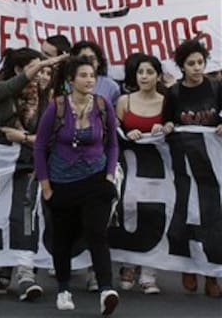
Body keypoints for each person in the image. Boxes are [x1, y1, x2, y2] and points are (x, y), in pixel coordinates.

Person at [34, 57, 121, 315]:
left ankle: (106, 290)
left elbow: (113, 144)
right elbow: (39, 146)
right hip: (62, 181)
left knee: (97, 233)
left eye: (92, 75)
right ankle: (63, 289)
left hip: (96, 179)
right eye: (83, 75)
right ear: (71, 80)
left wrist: (109, 175)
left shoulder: (103, 105)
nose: (89, 80)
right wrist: (46, 186)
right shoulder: (57, 106)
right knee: (62, 237)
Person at [0, 47, 65, 302]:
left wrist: (24, 137)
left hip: (27, 167)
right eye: (35, 68)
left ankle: (25, 272)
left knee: (26, 216)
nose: (41, 74)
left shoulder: (43, 98)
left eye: (44, 69)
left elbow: (48, 136)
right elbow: (13, 87)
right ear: (19, 70)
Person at [160, 38, 222, 298]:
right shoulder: (174, 93)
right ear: (182, 67)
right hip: (184, 165)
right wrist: (167, 126)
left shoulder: (217, 87)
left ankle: (211, 275)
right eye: (191, 63)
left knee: (212, 218)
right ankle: (188, 268)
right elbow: (166, 122)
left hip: (212, 167)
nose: (197, 68)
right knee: (185, 214)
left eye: (200, 62)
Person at [114, 53, 166, 295]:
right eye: (140, 72)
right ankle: (127, 266)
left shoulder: (166, 101)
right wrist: (127, 132)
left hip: (158, 170)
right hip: (130, 168)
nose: (144, 77)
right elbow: (114, 130)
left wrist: (164, 127)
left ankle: (149, 271)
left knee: (154, 213)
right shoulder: (124, 101)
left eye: (150, 72)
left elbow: (175, 130)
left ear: (158, 76)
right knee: (128, 212)